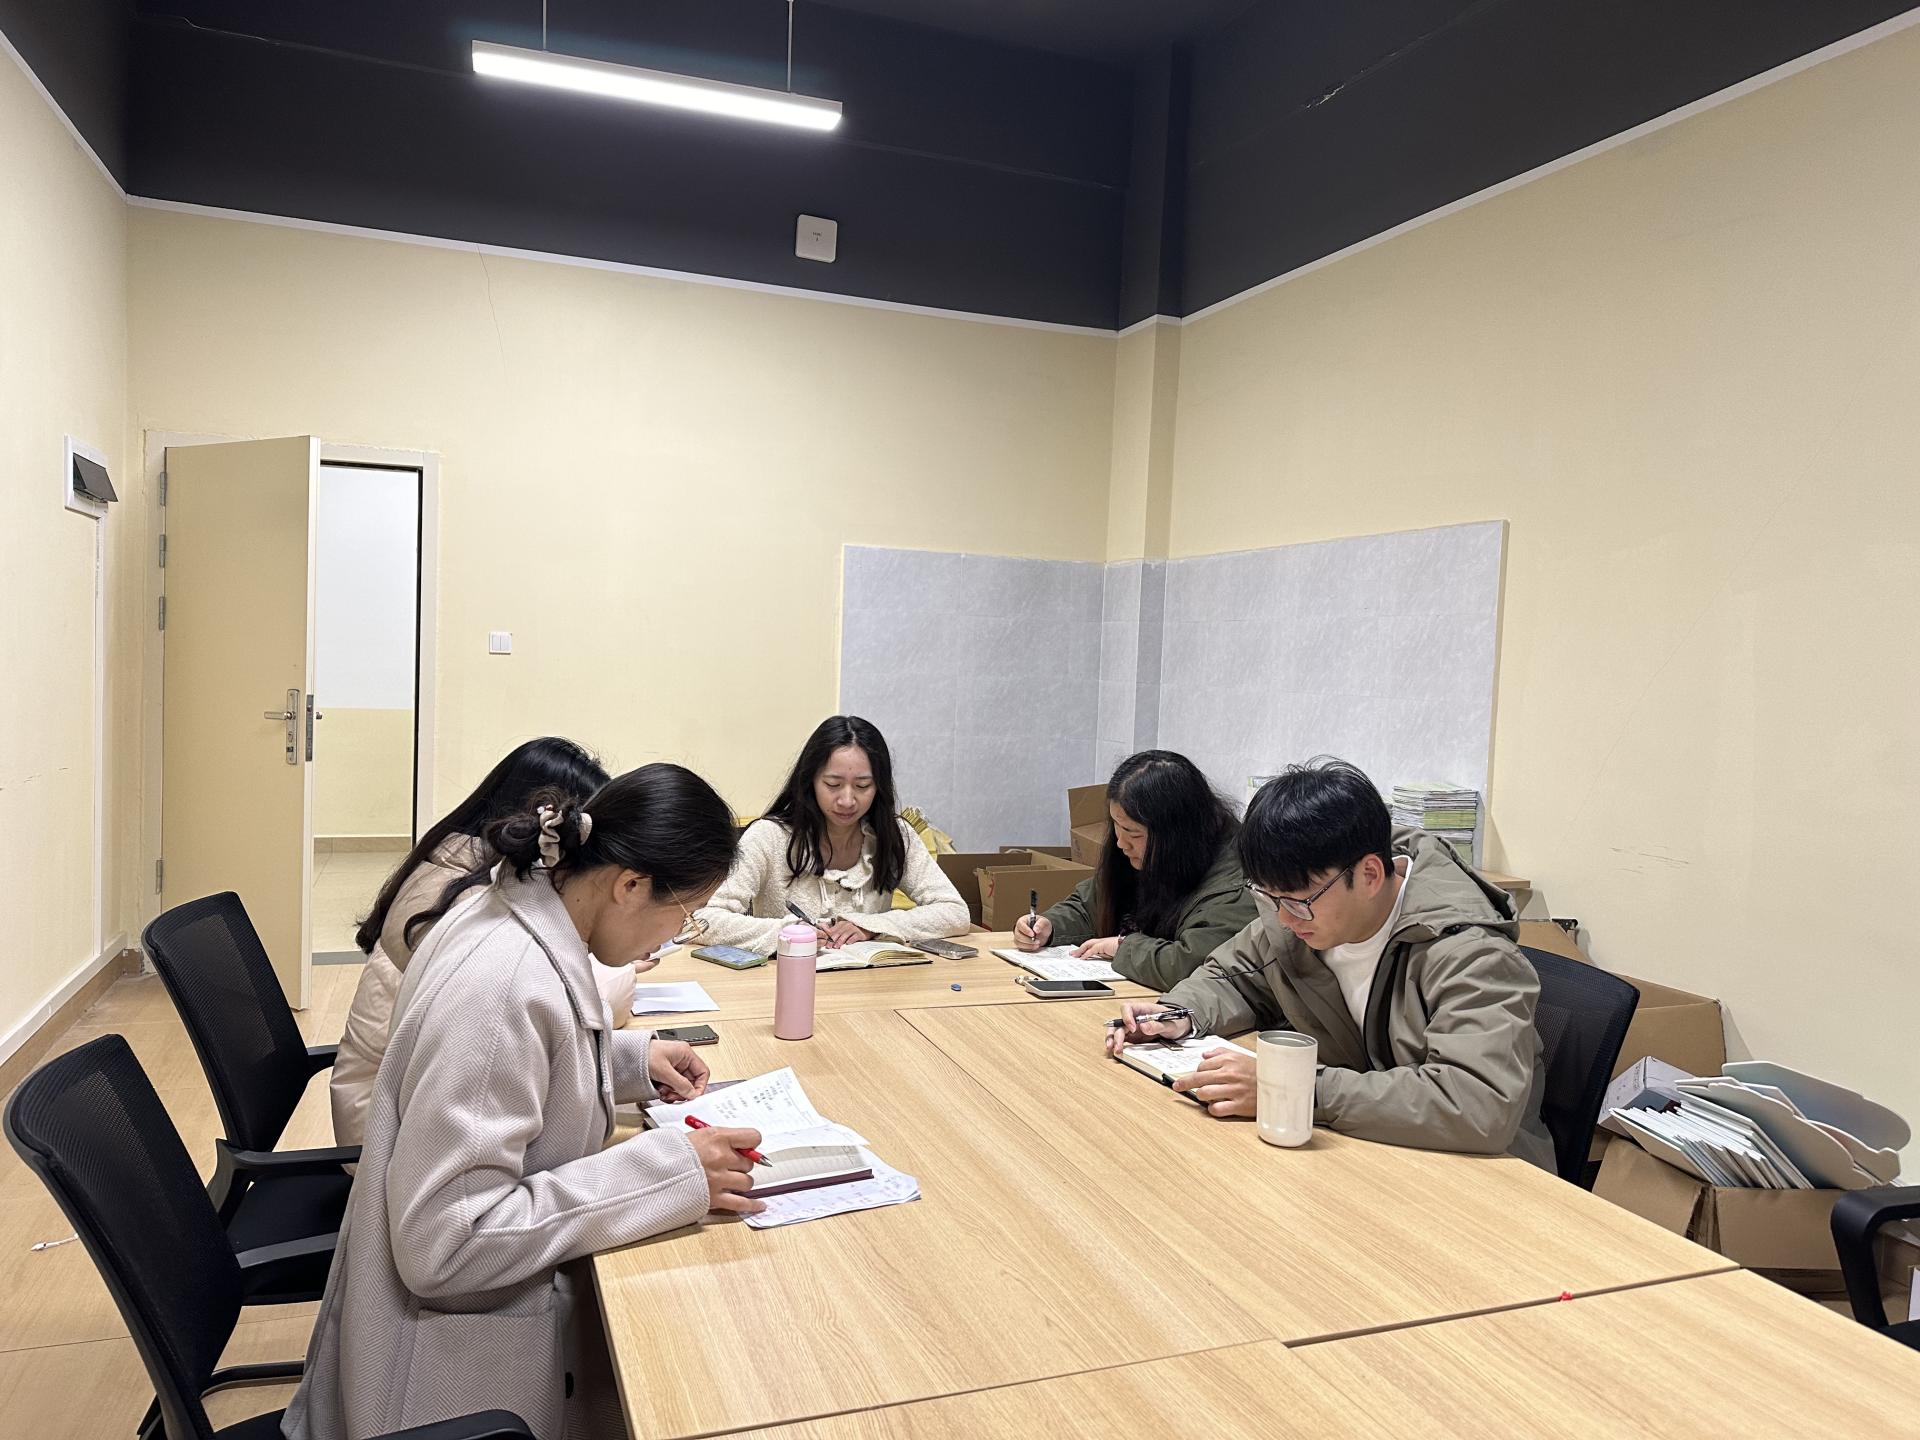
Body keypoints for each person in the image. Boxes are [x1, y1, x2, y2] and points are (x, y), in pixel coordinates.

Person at [284, 764, 764, 1440]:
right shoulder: (504, 986)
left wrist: (624, 1060)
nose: (670, 939)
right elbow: (449, 1242)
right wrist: (667, 1173)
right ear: (630, 885)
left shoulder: (510, 907)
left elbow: (516, 1070)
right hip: (441, 1387)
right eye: (683, 917)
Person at [1107, 757, 1553, 1168]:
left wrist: (1293, 1088)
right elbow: (1232, 975)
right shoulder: (1303, 912)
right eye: (1268, 897)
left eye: (1297, 902)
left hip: (1483, 1176)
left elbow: (1476, 1103)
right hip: (1367, 1149)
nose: (1283, 919)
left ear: (1370, 875)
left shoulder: (1469, 953)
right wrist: (1180, 1014)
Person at [329, 737, 611, 1147]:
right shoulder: (474, 902)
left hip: (400, 1099)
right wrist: (611, 954)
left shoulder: (452, 863)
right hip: (389, 1137)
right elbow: (561, 1007)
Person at [695, 715, 968, 951]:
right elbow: (703, 921)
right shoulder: (769, 837)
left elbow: (955, 912)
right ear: (811, 780)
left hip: (872, 985)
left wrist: (872, 926)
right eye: (833, 784)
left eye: (862, 786)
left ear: (879, 787)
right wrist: (787, 933)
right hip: (788, 981)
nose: (847, 800)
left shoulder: (895, 835)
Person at [1013, 750, 1254, 989]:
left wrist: (1123, 948)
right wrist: (1050, 926)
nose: (1120, 843)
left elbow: (1193, 965)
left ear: (1176, 834)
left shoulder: (1234, 884)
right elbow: (1091, 904)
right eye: (1116, 826)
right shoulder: (1144, 854)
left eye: (1133, 833)